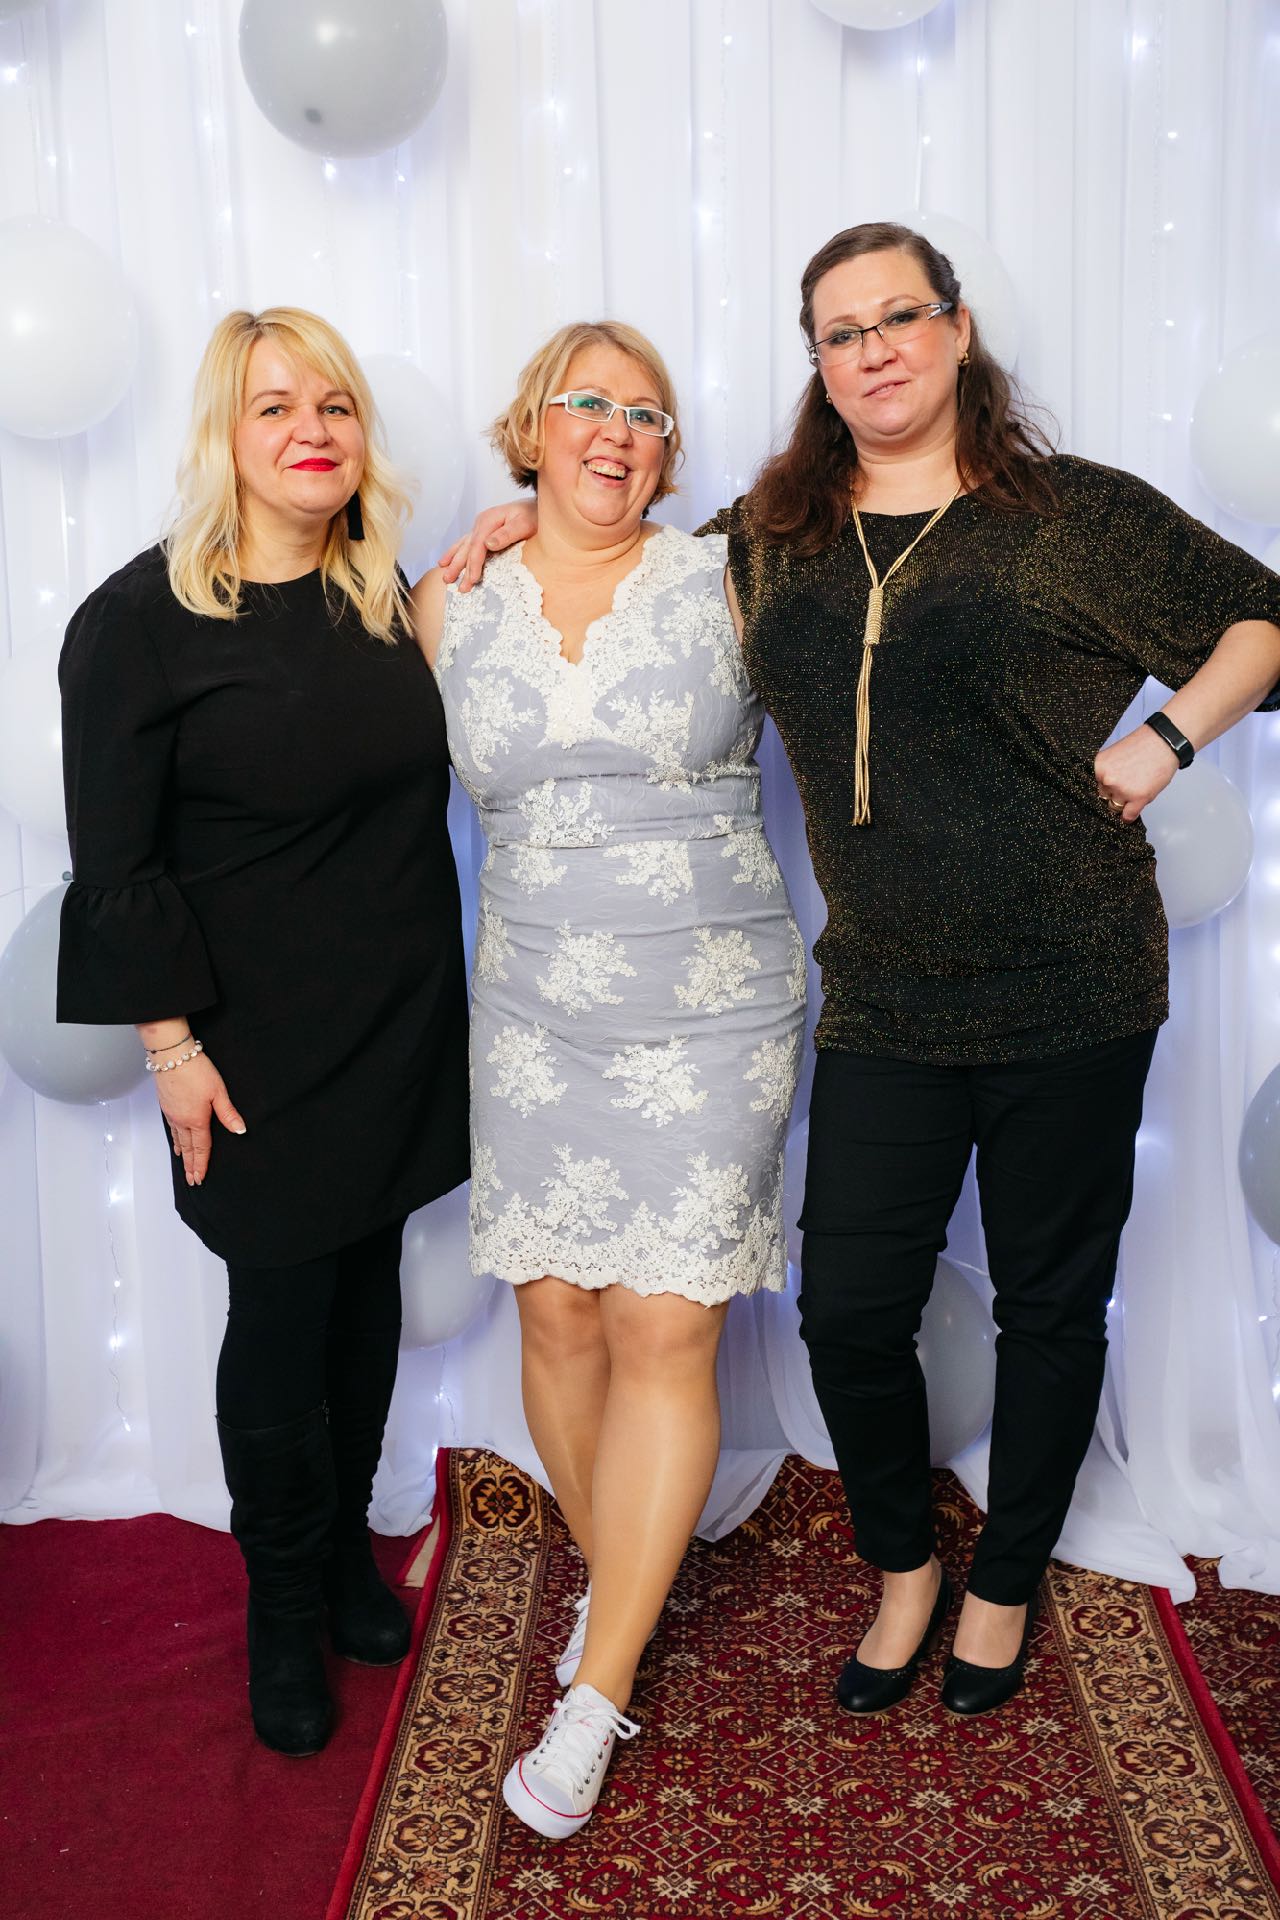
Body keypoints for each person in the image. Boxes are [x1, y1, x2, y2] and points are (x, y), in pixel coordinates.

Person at [444, 223, 1280, 1718]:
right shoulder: (774, 538)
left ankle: (1004, 1580)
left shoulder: (1074, 513)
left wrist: (1166, 739)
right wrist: (521, 521)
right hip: (885, 994)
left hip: (1076, 983)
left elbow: (1263, 619)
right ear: (818, 365)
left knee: (1050, 1306)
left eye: (902, 316)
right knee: (848, 1312)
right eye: (842, 330)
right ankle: (904, 1565)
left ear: (956, 331)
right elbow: (619, 551)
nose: (875, 348)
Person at [57, 307, 470, 1756]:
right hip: (251, 1047)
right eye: (275, 406)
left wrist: (492, 550)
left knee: (365, 1305)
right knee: (283, 1324)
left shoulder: (378, 596)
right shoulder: (137, 623)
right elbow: (116, 866)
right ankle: (282, 1607)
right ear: (224, 437)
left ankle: (346, 1554)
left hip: (397, 1019)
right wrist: (171, 1049)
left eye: (334, 405)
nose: (312, 430)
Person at [413, 320, 804, 1836]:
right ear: (532, 427)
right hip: (530, 1008)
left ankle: (596, 1693)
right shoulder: (451, 599)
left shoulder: (731, 577)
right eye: (587, 402)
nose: (618, 431)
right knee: (559, 1313)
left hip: (710, 1005)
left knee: (662, 1322)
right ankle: (619, 1576)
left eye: (647, 415)